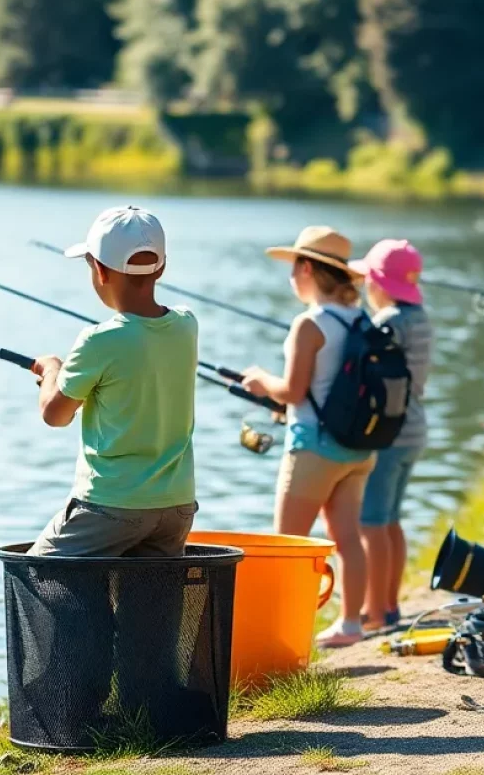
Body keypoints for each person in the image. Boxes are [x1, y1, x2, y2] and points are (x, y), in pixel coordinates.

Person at [29, 205, 199, 557]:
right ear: (161, 267)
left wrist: (51, 371)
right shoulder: (186, 325)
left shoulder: (97, 341)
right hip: (176, 507)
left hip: (110, 506)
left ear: (101, 273)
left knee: (35, 575)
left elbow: (55, 415)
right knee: (148, 609)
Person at [241, 226, 374, 648]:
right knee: (347, 536)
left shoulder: (310, 324)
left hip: (314, 449)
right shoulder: (361, 319)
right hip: (358, 449)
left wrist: (262, 381)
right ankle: (351, 624)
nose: (290, 277)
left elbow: (294, 391)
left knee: (287, 547)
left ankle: (284, 640)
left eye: (294, 268)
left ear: (306, 268)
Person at [350, 239, 433, 632]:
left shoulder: (390, 322)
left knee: (371, 523)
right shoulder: (420, 317)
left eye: (369, 279)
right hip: (414, 429)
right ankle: (391, 604)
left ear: (379, 284)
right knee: (391, 520)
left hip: (388, 433)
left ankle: (375, 613)